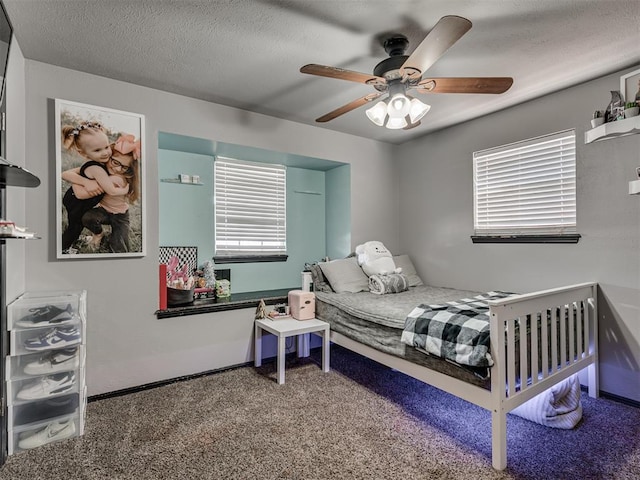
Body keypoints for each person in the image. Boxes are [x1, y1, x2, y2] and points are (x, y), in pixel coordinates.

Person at [79, 135, 141, 253]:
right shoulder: (103, 172)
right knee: (87, 217)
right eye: (115, 162)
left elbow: (84, 187)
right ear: (108, 157)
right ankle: (98, 234)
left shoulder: (118, 179)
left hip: (120, 216)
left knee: (119, 248)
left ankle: (111, 238)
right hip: (104, 211)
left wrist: (84, 180)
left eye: (124, 167)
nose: (118, 169)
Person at [60, 122, 113, 252]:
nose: (105, 152)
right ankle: (63, 248)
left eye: (106, 147)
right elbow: (64, 174)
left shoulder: (104, 163)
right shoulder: (91, 165)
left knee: (80, 223)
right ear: (83, 153)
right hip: (75, 201)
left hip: (82, 201)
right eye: (97, 150)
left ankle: (79, 238)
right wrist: (86, 182)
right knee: (75, 226)